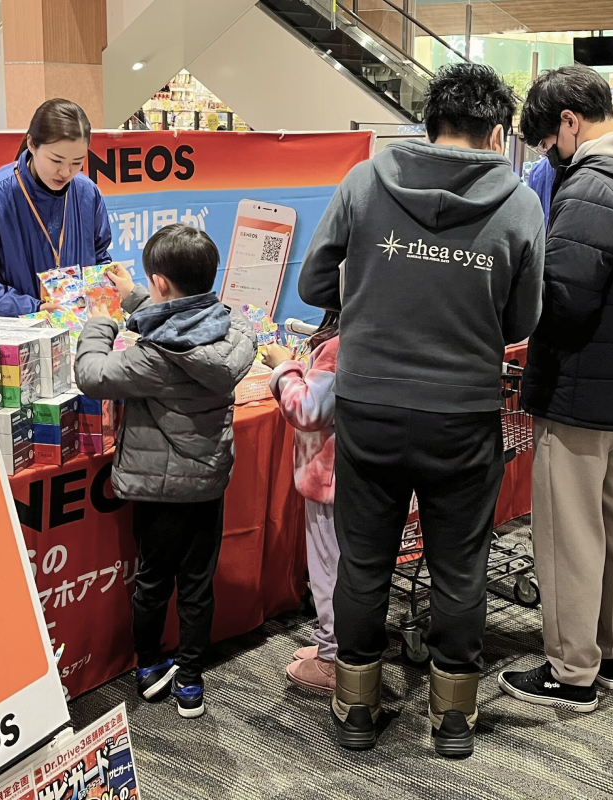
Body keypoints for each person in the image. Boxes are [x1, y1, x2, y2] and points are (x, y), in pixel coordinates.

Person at [299, 63, 545, 757]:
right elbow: (524, 315)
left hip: (369, 402)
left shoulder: (364, 182)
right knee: (459, 564)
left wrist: (370, 303)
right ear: (497, 133)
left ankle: (354, 710)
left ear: (429, 122)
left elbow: (316, 278)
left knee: (365, 559)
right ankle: (454, 720)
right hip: (462, 411)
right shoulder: (520, 202)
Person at [498, 66, 613, 712]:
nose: (550, 158)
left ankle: (570, 670)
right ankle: (610, 656)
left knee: (570, 533)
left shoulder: (592, 183)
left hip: (581, 392)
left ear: (569, 125)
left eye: (549, 143)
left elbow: (567, 298)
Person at [74, 225, 256, 719]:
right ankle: (192, 682)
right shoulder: (232, 330)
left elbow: (92, 376)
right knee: (198, 584)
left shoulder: (156, 357)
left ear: (160, 283)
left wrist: (101, 322)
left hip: (158, 490)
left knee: (153, 581)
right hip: (208, 483)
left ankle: (150, 665)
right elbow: (184, 321)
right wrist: (135, 298)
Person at [0, 98, 111, 316]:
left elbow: (100, 258)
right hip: (16, 337)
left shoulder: (87, 193)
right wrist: (33, 308)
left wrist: (106, 285)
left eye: (77, 162)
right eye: (56, 160)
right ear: (32, 144)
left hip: (79, 332)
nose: (66, 172)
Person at [263, 312, 340, 693]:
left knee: (330, 571)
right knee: (336, 568)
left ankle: (334, 661)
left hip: (331, 477)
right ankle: (335, 647)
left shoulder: (341, 346)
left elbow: (308, 412)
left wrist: (284, 369)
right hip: (352, 474)